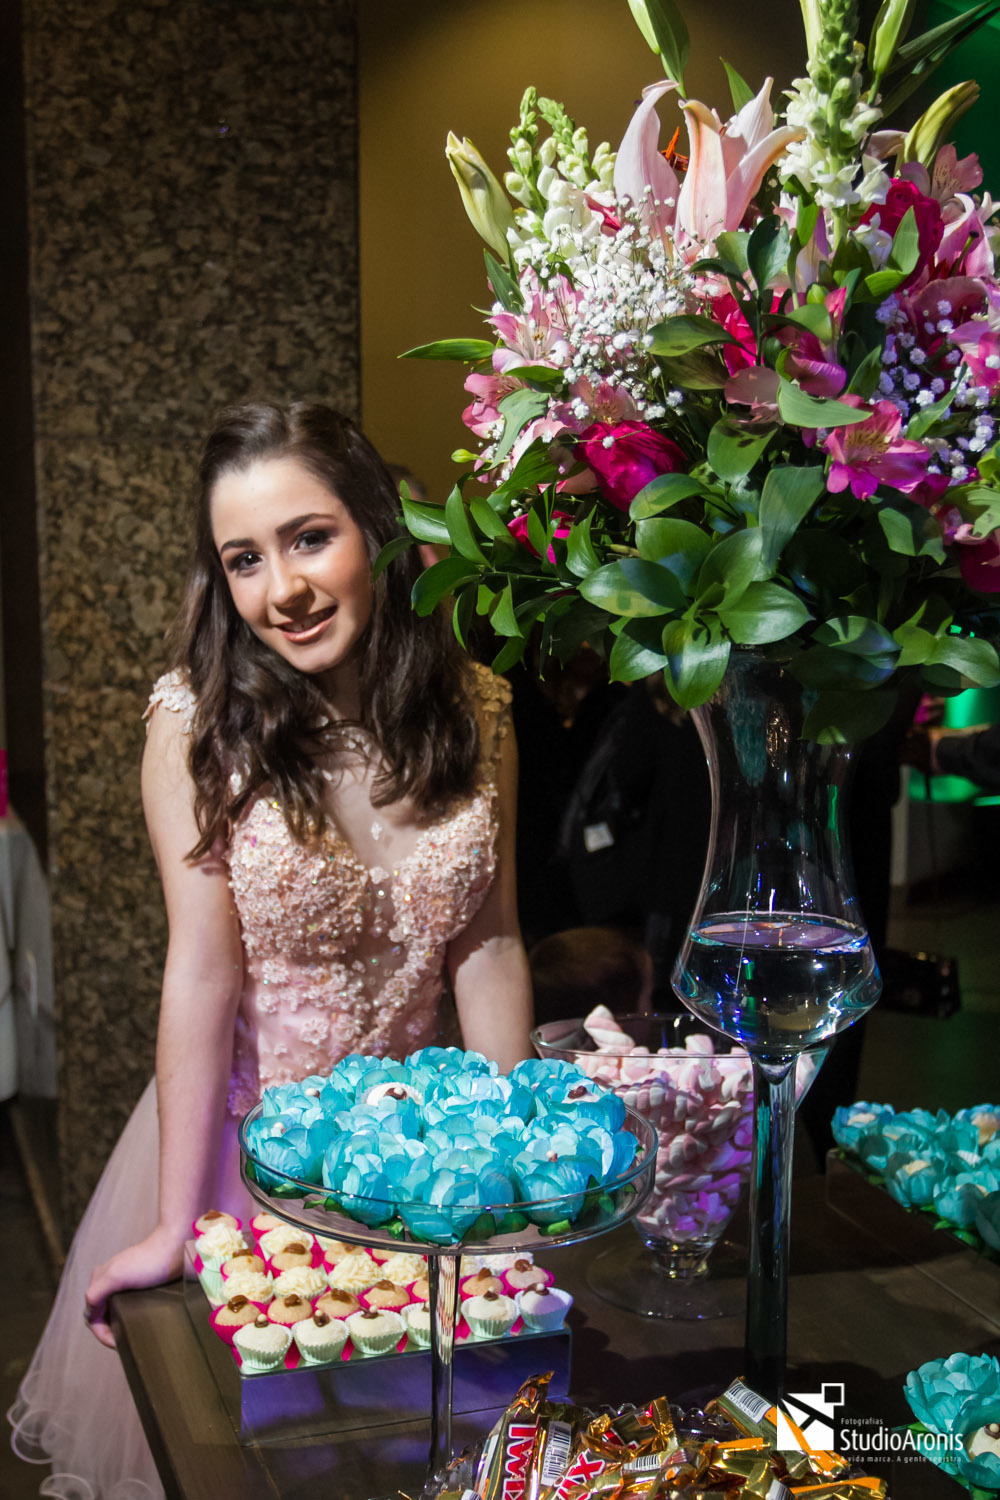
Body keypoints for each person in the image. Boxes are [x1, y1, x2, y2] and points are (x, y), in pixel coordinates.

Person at [8, 402, 533, 1499]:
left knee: (435, 1461)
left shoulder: (475, 709)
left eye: (308, 538)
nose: (279, 592)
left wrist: (503, 1179)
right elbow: (199, 974)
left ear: (379, 531)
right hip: (253, 1168)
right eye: (243, 560)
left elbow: (489, 944)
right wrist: (172, 1220)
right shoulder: (198, 724)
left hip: (423, 1164)